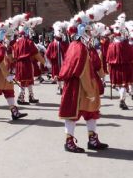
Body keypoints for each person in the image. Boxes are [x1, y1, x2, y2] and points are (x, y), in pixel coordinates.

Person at [59, 23, 108, 153]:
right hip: (79, 86)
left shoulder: (84, 46)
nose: (90, 34)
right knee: (73, 114)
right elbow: (82, 71)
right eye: (87, 31)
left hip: (87, 83)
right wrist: (90, 90)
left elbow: (94, 65)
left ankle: (92, 139)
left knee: (91, 112)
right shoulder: (79, 47)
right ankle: (69, 141)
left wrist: (100, 78)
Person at [45, 22, 70, 95]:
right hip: (57, 62)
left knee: (60, 75)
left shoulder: (54, 44)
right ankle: (61, 88)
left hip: (60, 62)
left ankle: (61, 87)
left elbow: (47, 54)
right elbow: (47, 54)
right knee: (59, 75)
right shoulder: (60, 44)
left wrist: (49, 61)